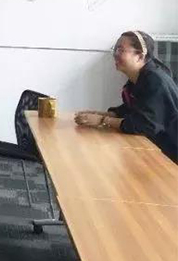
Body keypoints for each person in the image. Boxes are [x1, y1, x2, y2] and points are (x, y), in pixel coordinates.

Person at [75, 30, 177, 163]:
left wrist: (102, 120)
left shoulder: (155, 81)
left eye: (121, 50)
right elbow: (133, 109)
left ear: (140, 56)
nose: (115, 55)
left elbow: (145, 125)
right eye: (115, 49)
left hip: (170, 154)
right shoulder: (139, 77)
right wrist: (100, 114)